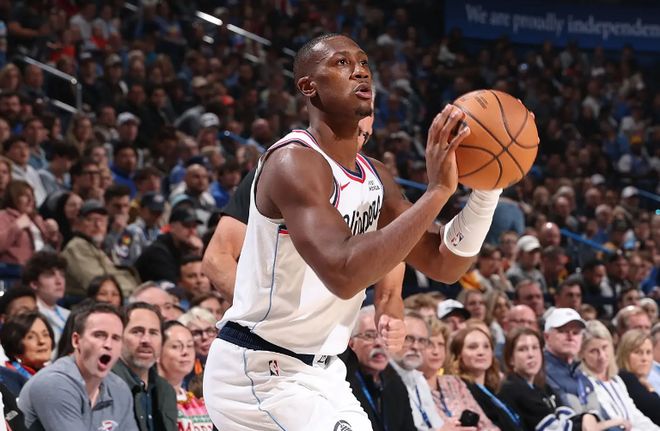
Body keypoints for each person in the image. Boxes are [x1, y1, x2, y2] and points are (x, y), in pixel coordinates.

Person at [204, 34, 501, 430]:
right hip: (260, 368)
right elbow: (343, 274)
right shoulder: (292, 162)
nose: (360, 71)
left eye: (363, 63)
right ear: (308, 86)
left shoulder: (376, 176)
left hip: (324, 372)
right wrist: (437, 193)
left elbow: (445, 264)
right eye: (342, 63)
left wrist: (488, 190)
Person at [18, 302, 138, 430]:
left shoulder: (119, 389)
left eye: (116, 338)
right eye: (99, 335)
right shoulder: (53, 384)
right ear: (76, 340)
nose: (108, 344)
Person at [499, 327, 617, 431]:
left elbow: (569, 417)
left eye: (535, 348)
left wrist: (587, 417)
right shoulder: (513, 389)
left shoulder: (542, 387)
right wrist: (588, 419)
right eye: (522, 349)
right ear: (510, 359)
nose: (531, 354)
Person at [342, 305, 416, 431]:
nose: (379, 343)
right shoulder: (342, 381)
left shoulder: (395, 383)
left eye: (384, 336)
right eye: (369, 335)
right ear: (351, 343)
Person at [579, 320, 659, 430]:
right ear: (582, 354)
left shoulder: (616, 380)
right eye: (593, 351)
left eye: (604, 347)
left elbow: (635, 417)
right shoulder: (585, 383)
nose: (602, 356)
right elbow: (615, 423)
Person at [421, 318, 498, 430]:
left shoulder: (454, 382)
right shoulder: (409, 388)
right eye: (429, 344)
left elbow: (486, 424)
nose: (436, 351)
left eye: (441, 344)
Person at [112, 302, 177, 431]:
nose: (146, 340)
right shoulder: (106, 386)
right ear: (119, 336)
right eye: (137, 332)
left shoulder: (166, 390)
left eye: (153, 333)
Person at [448, 326, 524, 430]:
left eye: (486, 347)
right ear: (458, 355)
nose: (481, 352)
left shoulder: (495, 391)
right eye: (472, 347)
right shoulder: (461, 391)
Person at [389, 312, 445, 430]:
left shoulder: (419, 379)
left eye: (422, 341)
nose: (415, 346)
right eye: (408, 338)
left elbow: (436, 423)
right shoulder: (384, 379)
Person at [157, 321, 213, 430]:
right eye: (176, 346)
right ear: (158, 352)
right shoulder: (151, 400)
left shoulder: (198, 403)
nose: (185, 352)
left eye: (189, 346)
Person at [543, 308, 600, 415]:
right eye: (562, 331)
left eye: (576, 333)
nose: (570, 337)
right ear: (547, 337)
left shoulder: (582, 375)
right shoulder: (540, 372)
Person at [0, 180, 60, 265]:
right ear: (13, 198)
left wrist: (53, 235)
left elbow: (53, 249)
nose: (31, 199)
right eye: (25, 195)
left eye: (32, 196)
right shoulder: (3, 216)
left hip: (42, 268)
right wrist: (16, 227)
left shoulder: (38, 220)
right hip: (14, 269)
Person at [22, 251, 70, 346]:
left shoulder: (69, 314)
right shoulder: (28, 314)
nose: (59, 281)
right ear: (34, 284)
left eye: (62, 275)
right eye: (50, 275)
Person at [615, 329, 660, 425]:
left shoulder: (639, 382)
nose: (644, 358)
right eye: (638, 352)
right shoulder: (625, 377)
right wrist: (651, 389)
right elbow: (656, 408)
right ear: (625, 354)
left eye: (648, 352)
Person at [0, 311, 53, 377]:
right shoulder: (6, 378)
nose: (42, 341)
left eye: (45, 334)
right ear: (14, 343)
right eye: (30, 337)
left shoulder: (54, 373)